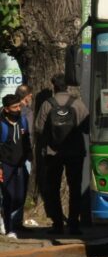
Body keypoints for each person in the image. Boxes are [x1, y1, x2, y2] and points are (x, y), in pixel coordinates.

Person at [35, 74, 89, 235]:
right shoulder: (77, 104)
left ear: (54, 87)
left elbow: (38, 128)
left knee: (53, 188)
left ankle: (57, 223)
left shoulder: (47, 104)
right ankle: (74, 224)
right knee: (75, 188)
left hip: (53, 153)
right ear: (68, 86)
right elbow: (86, 127)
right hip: (75, 152)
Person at [0, 94, 33, 239]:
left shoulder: (22, 121)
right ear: (6, 109)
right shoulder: (1, 124)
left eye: (19, 106)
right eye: (14, 107)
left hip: (20, 164)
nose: (18, 109)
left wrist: (29, 155)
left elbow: (26, 141)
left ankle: (3, 214)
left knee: (19, 197)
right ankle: (9, 228)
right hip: (5, 164)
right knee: (9, 196)